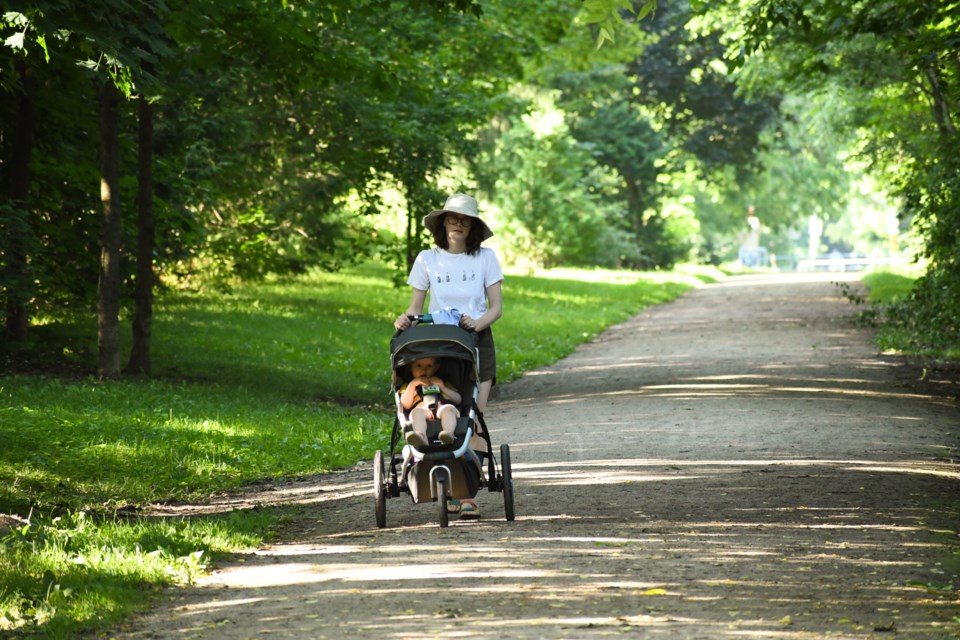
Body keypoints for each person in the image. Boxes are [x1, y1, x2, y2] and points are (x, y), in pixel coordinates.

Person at [394, 193, 504, 520]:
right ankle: (439, 478)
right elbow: (415, 309)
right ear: (443, 221)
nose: (458, 223)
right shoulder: (427, 259)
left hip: (474, 340)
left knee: (472, 414)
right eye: (453, 217)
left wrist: (477, 323)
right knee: (435, 405)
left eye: (465, 219)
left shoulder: (485, 258)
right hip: (439, 343)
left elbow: (496, 307)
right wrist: (403, 321)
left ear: (472, 227)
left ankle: (465, 492)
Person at [399, 356, 462, 448]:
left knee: (449, 409)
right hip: (423, 410)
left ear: (436, 367)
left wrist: (443, 387)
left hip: (442, 407)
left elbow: (458, 400)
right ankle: (421, 437)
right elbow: (405, 405)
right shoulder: (408, 386)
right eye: (418, 366)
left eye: (429, 366)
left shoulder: (442, 382)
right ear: (410, 367)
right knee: (416, 412)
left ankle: (448, 435)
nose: (424, 370)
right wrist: (413, 385)